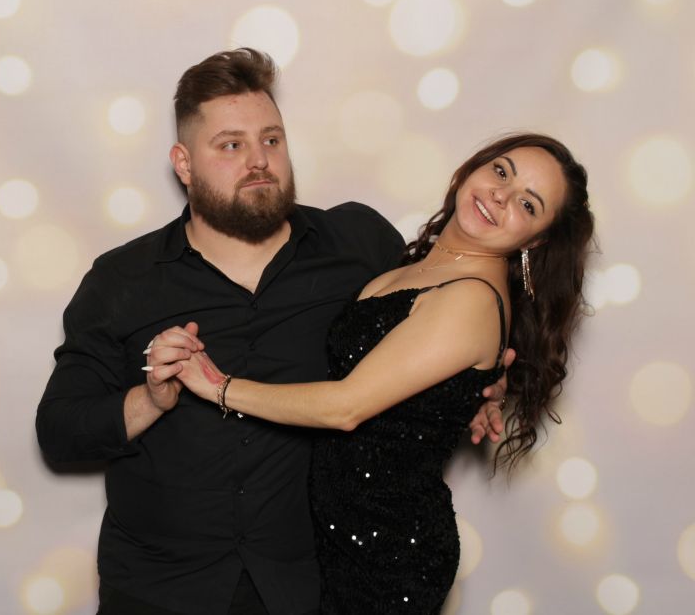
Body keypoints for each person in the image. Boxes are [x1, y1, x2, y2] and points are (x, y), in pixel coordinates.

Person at [35, 48, 506, 615]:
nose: (259, 160)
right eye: (231, 145)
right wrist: (151, 400)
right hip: (159, 590)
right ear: (184, 164)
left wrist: (478, 389)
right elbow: (59, 431)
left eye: (271, 139)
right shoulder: (123, 278)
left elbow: (444, 315)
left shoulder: (359, 245)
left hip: (311, 589)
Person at [174, 132, 595, 613]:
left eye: (527, 204)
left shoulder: (472, 298)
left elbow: (345, 406)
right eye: (501, 171)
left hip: (387, 556)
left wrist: (218, 386)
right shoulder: (421, 265)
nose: (500, 195)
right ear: (475, 167)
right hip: (336, 540)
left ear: (536, 240)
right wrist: (477, 391)